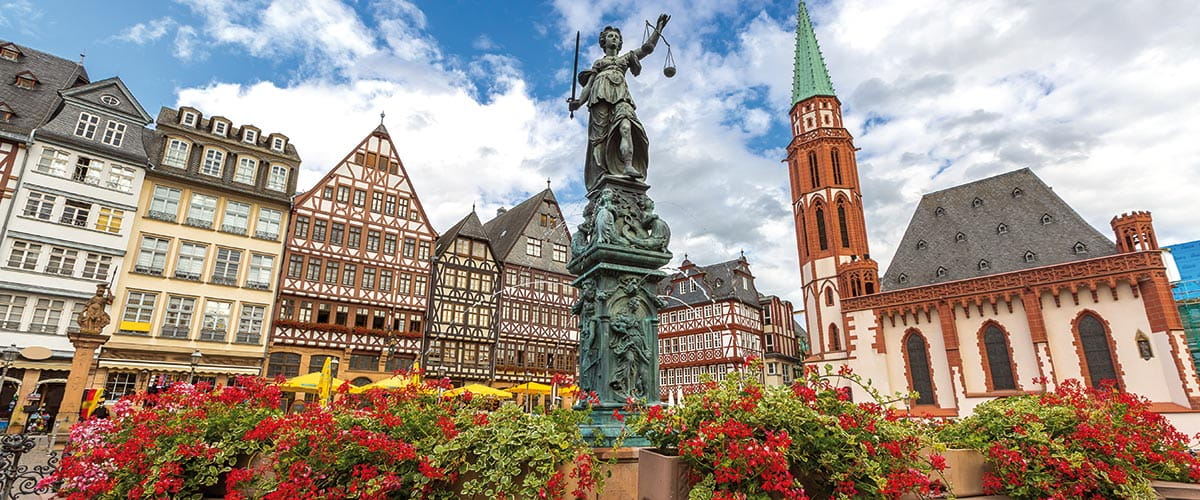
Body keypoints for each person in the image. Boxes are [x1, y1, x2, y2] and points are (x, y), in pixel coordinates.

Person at [568, 14, 671, 191]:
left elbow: (647, 48)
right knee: (599, 138)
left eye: (616, 36)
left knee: (626, 126)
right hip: (599, 94)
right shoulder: (599, 63)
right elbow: (589, 86)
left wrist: (658, 29)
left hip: (621, 95)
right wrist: (578, 103)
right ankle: (601, 174)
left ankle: (628, 165)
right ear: (603, 41)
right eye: (610, 36)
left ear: (620, 42)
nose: (613, 38)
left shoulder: (626, 59)